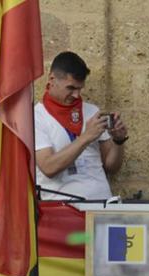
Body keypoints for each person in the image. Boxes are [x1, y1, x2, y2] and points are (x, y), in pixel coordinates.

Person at [34, 51, 128, 201]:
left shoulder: (92, 111)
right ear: (52, 79)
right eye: (71, 88)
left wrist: (118, 142)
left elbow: (111, 167)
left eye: (80, 88)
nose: (76, 95)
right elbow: (48, 167)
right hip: (62, 207)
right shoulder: (36, 116)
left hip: (101, 201)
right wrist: (86, 137)